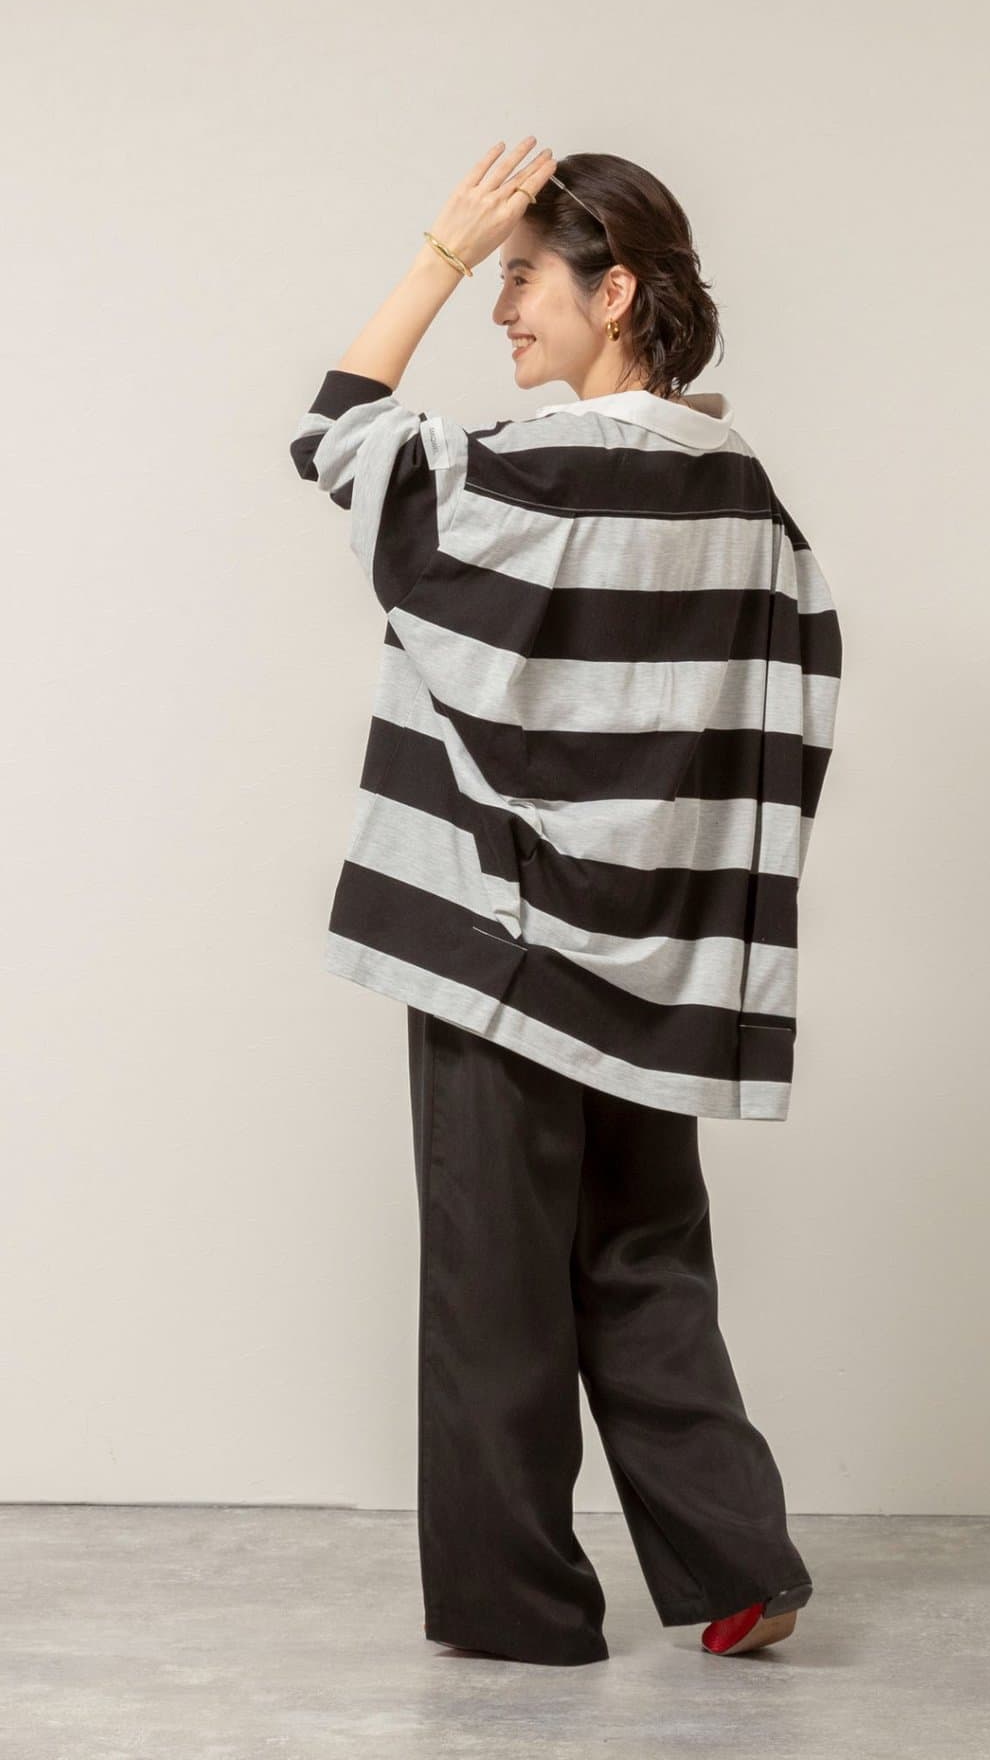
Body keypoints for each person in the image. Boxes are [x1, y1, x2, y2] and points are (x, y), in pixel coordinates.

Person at [289, 138, 842, 1666]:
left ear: (615, 292)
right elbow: (781, 714)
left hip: (500, 942)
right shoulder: (747, 496)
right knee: (645, 1255)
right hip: (661, 953)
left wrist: (436, 250)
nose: (500, 309)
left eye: (523, 276)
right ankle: (738, 1565)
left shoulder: (516, 472)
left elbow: (333, 435)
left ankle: (517, 1611)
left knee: (495, 1279)